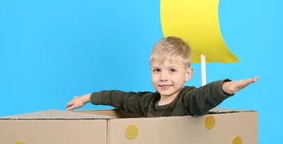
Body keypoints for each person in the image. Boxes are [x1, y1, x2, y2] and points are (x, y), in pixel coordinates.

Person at [66, 36, 259, 117]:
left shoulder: (189, 99)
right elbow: (118, 97)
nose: (163, 77)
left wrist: (227, 88)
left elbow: (205, 95)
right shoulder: (146, 102)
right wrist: (86, 98)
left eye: (172, 70)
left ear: (188, 74)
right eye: (157, 70)